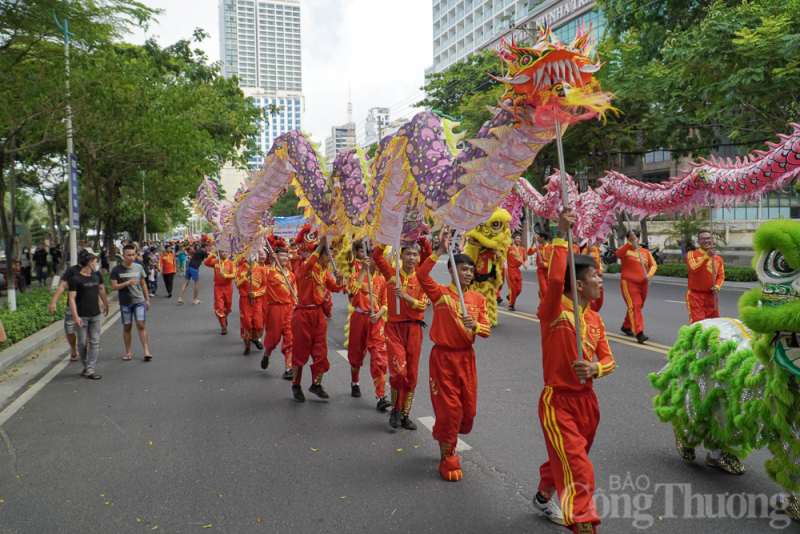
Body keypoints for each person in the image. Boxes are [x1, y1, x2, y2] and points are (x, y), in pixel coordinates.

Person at [533, 208, 615, 533]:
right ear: (579, 284)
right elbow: (555, 279)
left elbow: (609, 361)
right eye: (596, 276)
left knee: (567, 459)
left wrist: (595, 367)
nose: (601, 280)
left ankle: (542, 496)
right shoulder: (552, 311)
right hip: (558, 404)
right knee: (580, 472)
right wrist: (559, 234)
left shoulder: (594, 319)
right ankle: (584, 527)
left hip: (587, 405)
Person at [416, 234, 491, 481]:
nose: (469, 273)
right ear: (451, 271)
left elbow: (486, 329)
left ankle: (447, 438)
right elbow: (421, 276)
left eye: (471, 270)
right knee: (450, 410)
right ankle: (448, 458)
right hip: (443, 359)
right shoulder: (439, 294)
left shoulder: (478, 299)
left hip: (466, 359)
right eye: (464, 269)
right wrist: (438, 249)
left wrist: (475, 326)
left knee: (467, 413)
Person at [372, 242, 429, 428]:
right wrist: (386, 238)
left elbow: (422, 305)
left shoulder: (421, 278)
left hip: (414, 330)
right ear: (400, 255)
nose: (411, 257)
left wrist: (405, 296)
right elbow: (376, 256)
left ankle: (404, 414)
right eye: (408, 254)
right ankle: (395, 410)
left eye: (415, 254)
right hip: (394, 329)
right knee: (398, 372)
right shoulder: (390, 274)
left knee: (411, 375)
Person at [290, 236, 342, 402]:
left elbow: (335, 288)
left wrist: (340, 278)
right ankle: (296, 384)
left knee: (321, 351)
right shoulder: (306, 268)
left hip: (318, 316)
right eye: (331, 256)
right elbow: (311, 261)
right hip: (302, 315)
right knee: (300, 352)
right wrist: (321, 244)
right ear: (325, 256)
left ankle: (316, 384)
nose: (332, 260)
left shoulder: (325, 272)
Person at [345, 256, 389, 409]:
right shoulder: (354, 276)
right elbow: (353, 290)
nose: (382, 263)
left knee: (379, 357)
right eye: (379, 260)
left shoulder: (382, 281)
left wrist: (379, 314)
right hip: (358, 318)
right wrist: (363, 269)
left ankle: (380, 397)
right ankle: (355, 381)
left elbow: (385, 303)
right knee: (356, 355)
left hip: (375, 321)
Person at [68, 249, 109, 379]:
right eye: (95, 262)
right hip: (81, 316)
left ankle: (91, 369)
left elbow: (101, 290)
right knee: (81, 343)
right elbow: (71, 299)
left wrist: (105, 303)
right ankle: (85, 365)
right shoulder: (75, 279)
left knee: (94, 341)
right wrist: (75, 316)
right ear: (90, 263)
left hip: (95, 315)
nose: (97, 264)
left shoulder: (96, 277)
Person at [261, 239, 297, 378]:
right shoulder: (270, 270)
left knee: (289, 337)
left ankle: (288, 368)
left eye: (286, 256)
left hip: (288, 308)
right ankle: (267, 353)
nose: (285, 258)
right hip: (274, 310)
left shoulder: (291, 275)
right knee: (274, 338)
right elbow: (269, 279)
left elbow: (294, 292)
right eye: (282, 256)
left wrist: (296, 305)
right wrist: (273, 262)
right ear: (276, 257)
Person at [110, 244, 153, 361]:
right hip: (125, 303)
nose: (131, 257)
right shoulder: (116, 269)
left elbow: (143, 283)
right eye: (129, 255)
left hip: (139, 301)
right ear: (123, 255)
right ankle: (128, 351)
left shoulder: (138, 267)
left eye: (133, 254)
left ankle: (146, 350)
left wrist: (147, 299)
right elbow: (114, 287)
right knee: (127, 327)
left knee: (141, 325)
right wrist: (127, 283)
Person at [616, 230, 657, 344]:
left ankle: (626, 326)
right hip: (628, 283)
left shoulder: (645, 252)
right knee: (635, 306)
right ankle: (639, 333)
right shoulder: (625, 250)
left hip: (643, 284)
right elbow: (618, 254)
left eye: (635, 238)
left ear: (639, 238)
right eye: (630, 238)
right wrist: (629, 243)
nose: (634, 240)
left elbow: (653, 265)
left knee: (638, 306)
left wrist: (649, 274)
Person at [48, 260, 85, 361]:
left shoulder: (94, 271)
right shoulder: (71, 270)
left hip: (87, 307)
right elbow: (62, 286)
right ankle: (74, 349)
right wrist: (53, 301)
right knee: (69, 330)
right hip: (72, 306)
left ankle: (87, 356)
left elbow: (99, 288)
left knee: (87, 331)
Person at [686, 231, 724, 323]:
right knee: (698, 323)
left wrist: (718, 286)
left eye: (708, 238)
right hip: (696, 295)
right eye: (703, 239)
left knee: (714, 323)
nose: (706, 241)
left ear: (713, 240)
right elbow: (694, 269)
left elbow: (720, 276)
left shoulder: (718, 259)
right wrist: (707, 256)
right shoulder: (692, 254)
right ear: (698, 242)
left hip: (711, 296)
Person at [235, 256, 266, 356]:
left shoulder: (261, 269)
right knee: (246, 324)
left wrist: (257, 294)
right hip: (245, 300)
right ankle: (247, 346)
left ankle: (255, 338)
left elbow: (265, 285)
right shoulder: (239, 269)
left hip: (257, 300)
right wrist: (247, 275)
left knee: (258, 324)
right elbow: (238, 285)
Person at [204, 250, 236, 334]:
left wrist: (226, 276)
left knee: (228, 308)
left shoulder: (230, 263)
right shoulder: (215, 262)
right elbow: (206, 263)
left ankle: (224, 317)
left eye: (226, 252)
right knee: (219, 306)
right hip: (218, 287)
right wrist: (214, 254)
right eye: (222, 252)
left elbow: (234, 275)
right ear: (219, 253)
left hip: (228, 287)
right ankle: (223, 327)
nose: (225, 253)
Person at [506, 233, 528, 311]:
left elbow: (524, 259)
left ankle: (510, 296)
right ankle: (511, 305)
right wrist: (509, 243)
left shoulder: (522, 249)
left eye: (519, 239)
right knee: (513, 288)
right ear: (514, 239)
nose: (519, 240)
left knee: (519, 289)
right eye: (517, 238)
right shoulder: (510, 248)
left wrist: (525, 265)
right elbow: (503, 252)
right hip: (510, 269)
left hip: (517, 270)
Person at [581, 244, 605, 313]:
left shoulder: (597, 249)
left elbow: (599, 260)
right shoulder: (585, 248)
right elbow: (581, 260)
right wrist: (587, 252)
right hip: (588, 277)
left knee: (599, 296)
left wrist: (600, 268)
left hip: (596, 276)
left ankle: (593, 312)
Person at [529, 231, 552, 300]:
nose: (537, 239)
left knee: (548, 289)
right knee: (543, 289)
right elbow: (529, 253)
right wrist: (533, 243)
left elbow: (555, 261)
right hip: (540, 271)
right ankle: (543, 303)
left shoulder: (551, 247)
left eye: (538, 237)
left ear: (543, 238)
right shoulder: (538, 247)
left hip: (549, 271)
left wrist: (545, 264)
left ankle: (542, 303)